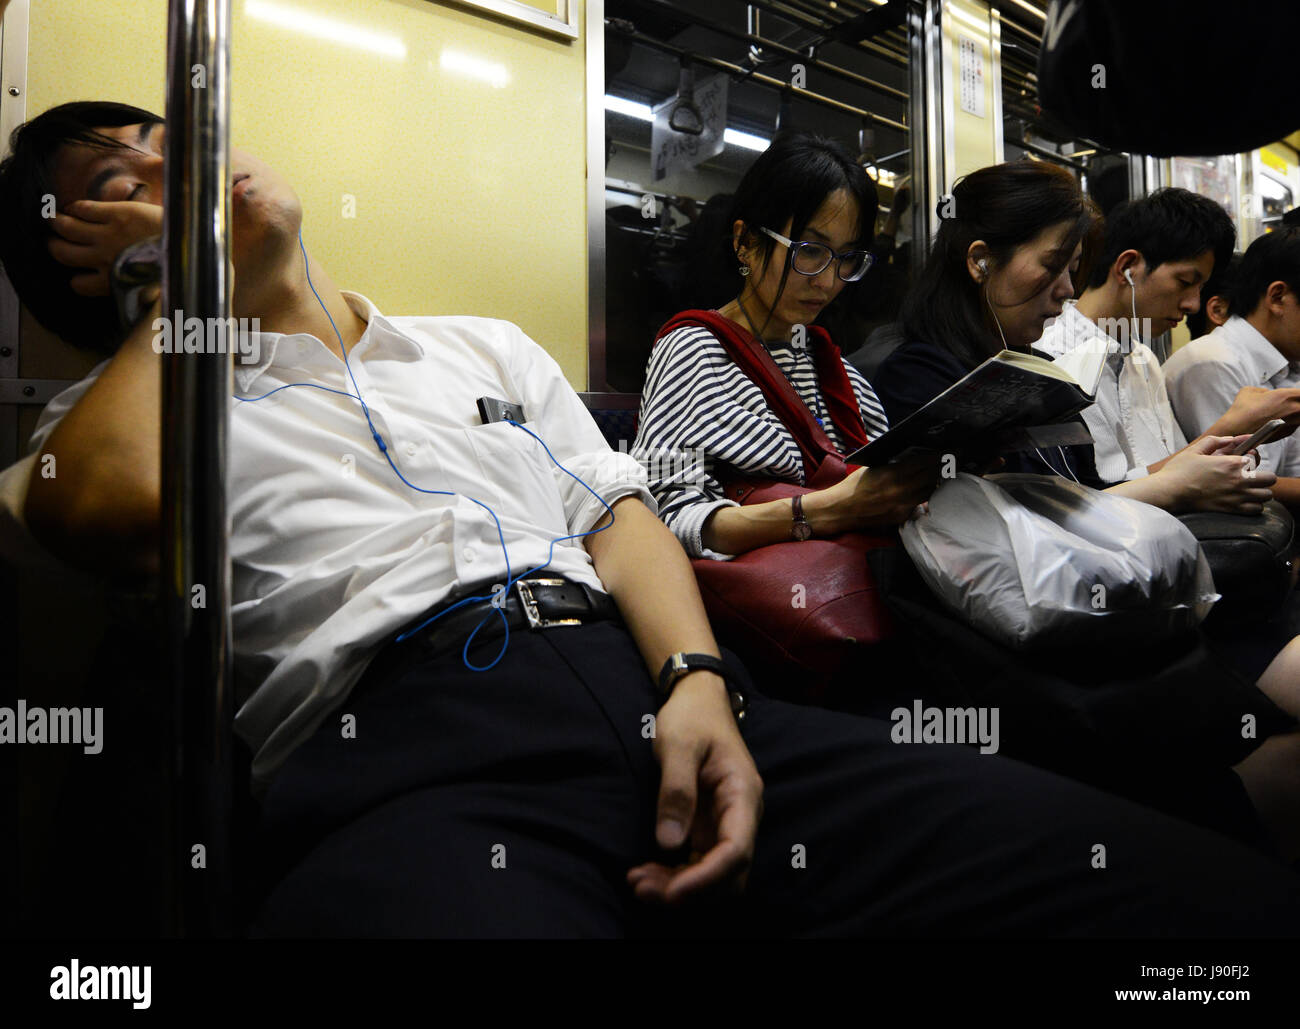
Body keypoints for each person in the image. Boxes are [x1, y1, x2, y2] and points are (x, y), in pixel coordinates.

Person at [4, 103, 1300, 938]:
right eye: (124, 186)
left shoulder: (479, 346)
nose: (172, 165)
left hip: (654, 677)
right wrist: (184, 294)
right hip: (411, 745)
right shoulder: (119, 420)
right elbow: (106, 513)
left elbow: (619, 513)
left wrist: (694, 680)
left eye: (170, 137)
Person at [865, 159, 1300, 854]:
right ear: (979, 260)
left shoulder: (1039, 369)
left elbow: (1079, 503)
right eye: (1053, 267)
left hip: (1095, 612)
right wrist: (1179, 482)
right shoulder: (922, 375)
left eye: (1074, 269)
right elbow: (1009, 541)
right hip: (1023, 640)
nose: (1067, 292)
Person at [633, 133, 939, 563]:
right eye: (810, 251)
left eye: (846, 258)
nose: (828, 282)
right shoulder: (694, 349)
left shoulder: (835, 369)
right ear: (745, 242)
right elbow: (667, 517)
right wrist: (826, 510)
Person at [1034, 188, 1300, 499]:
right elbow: (1094, 498)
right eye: (1185, 282)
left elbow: (1174, 464)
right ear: (1127, 268)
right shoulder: (1053, 357)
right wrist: (1230, 425)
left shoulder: (1142, 357)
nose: (1193, 305)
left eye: (1200, 288)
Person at [1164, 227, 1300, 516]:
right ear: (1277, 298)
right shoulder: (1214, 362)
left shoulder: (1288, 365)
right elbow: (1235, 480)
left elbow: (1291, 469)